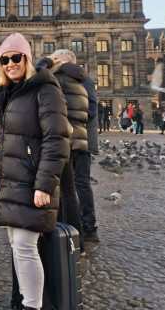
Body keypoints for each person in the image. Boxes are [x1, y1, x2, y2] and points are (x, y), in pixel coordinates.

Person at [0, 33, 70, 310]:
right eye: (4, 59)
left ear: (28, 58)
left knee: (24, 247)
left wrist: (44, 186)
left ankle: (32, 306)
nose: (10, 63)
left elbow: (56, 139)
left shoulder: (46, 89)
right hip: (13, 181)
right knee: (18, 245)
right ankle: (27, 302)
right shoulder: (8, 91)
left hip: (33, 182)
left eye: (15, 57)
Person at [45, 49, 99, 244]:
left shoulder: (75, 79)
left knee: (75, 185)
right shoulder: (81, 79)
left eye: (55, 59)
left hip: (75, 140)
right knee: (76, 185)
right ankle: (80, 229)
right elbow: (90, 110)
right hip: (80, 139)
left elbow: (90, 111)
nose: (53, 63)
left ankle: (84, 228)